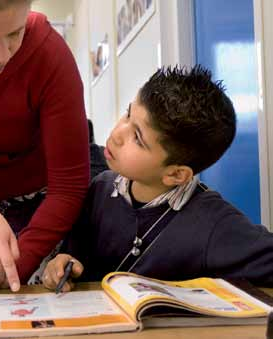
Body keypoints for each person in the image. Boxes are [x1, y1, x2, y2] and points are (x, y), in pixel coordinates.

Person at [42, 65, 273, 292]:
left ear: (175, 174)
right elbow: (72, 257)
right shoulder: (101, 188)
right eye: (128, 114)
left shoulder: (213, 223)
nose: (118, 134)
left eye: (138, 138)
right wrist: (61, 266)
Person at [0, 0, 90, 291]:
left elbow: (68, 186)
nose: (3, 55)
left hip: (38, 215)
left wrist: (15, 265)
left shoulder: (49, 54)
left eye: (15, 33)